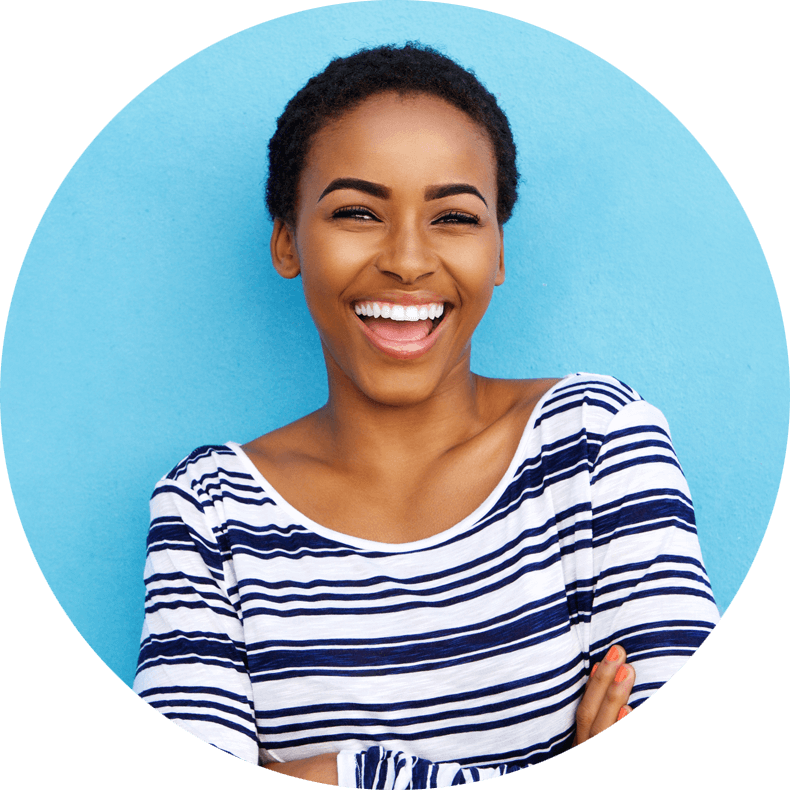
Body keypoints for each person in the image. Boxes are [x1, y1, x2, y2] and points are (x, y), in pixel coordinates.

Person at [132, 43, 720, 787]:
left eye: (453, 216)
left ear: (498, 251)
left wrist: (345, 772)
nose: (408, 260)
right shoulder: (210, 511)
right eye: (356, 212)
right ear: (288, 241)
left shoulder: (597, 444)